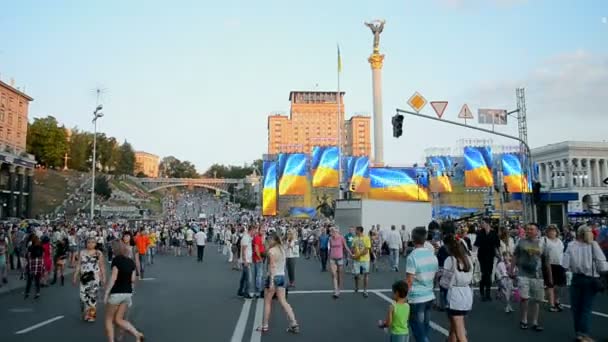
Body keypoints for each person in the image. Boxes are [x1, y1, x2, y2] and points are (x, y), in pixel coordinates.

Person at [562, 225, 608, 342]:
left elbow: (565, 265)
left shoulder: (571, 245)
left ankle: (578, 333)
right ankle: (584, 335)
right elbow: (602, 264)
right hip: (591, 279)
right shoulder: (593, 245)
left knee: (576, 308)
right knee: (586, 309)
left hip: (576, 278)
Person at [255, 232, 299, 334]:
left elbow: (272, 267)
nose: (268, 241)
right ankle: (294, 323)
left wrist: (270, 282)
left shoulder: (271, 251)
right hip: (282, 277)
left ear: (273, 240)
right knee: (283, 301)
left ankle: (265, 325)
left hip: (273, 277)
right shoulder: (282, 249)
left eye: (269, 240)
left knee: (267, 301)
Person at [104, 242, 145, 342]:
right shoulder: (131, 262)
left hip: (116, 292)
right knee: (119, 319)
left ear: (115, 250)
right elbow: (133, 279)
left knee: (109, 320)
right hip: (127, 293)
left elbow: (113, 277)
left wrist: (106, 293)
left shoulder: (116, 260)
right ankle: (137, 334)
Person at [405, 226, 438, 342]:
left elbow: (409, 280)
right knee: (425, 327)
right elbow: (435, 276)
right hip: (429, 295)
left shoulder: (412, 257)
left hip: (416, 297)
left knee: (417, 329)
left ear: (413, 239)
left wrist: (403, 298)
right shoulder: (432, 255)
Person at [512, 223, 547, 331]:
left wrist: (549, 276)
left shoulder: (542, 242)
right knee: (524, 298)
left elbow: (546, 258)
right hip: (523, 273)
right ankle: (524, 320)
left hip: (537, 274)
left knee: (536, 300)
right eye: (527, 229)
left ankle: (535, 322)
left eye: (532, 229)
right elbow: (515, 255)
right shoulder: (520, 241)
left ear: (537, 231)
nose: (529, 231)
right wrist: (511, 269)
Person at [441, 237, 473, 342]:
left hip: (455, 296)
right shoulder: (468, 259)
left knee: (460, 332)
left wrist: (439, 276)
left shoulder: (450, 260)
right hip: (467, 294)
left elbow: (444, 281)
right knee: (455, 326)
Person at [74, 237, 106, 322]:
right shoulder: (82, 252)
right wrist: (75, 275)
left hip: (95, 278)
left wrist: (103, 277)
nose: (90, 244)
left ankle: (91, 316)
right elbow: (78, 265)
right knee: (83, 296)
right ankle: (85, 308)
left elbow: (102, 266)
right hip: (84, 278)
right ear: (86, 243)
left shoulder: (98, 253)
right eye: (88, 242)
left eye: (92, 242)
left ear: (95, 244)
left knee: (92, 297)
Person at [474, 219, 500, 301]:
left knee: (488, 274)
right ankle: (482, 293)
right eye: (481, 223)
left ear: (488, 224)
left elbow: (496, 246)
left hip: (490, 256)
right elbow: (476, 245)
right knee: (484, 274)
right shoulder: (479, 233)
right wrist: (472, 255)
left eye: (483, 223)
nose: (481, 224)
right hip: (481, 256)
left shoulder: (494, 233)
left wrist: (499, 255)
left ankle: (488, 293)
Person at [543, 224, 565, 312]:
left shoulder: (559, 241)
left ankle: (556, 300)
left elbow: (562, 253)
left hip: (559, 264)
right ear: (547, 232)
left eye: (554, 231)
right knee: (550, 284)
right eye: (550, 231)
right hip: (549, 264)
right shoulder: (544, 240)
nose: (552, 232)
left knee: (560, 285)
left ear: (556, 232)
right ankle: (552, 304)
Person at [328, 227, 351, 298]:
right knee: (333, 274)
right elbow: (329, 248)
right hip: (332, 258)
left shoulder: (341, 238)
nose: (331, 233)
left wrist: (350, 253)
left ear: (337, 232)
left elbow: (346, 246)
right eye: (331, 232)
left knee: (339, 275)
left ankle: (339, 288)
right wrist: (328, 257)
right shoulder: (330, 239)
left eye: (333, 232)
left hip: (340, 258)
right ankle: (336, 291)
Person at [352, 226, 372, 297]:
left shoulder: (367, 238)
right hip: (356, 260)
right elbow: (353, 248)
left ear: (359, 231)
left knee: (365, 275)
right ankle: (357, 287)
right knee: (356, 275)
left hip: (365, 260)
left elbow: (366, 250)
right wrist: (354, 254)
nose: (355, 231)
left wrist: (358, 255)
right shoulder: (355, 238)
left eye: (356, 230)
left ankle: (365, 290)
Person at [25, 235, 44, 299]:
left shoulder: (30, 247)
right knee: (37, 280)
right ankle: (37, 293)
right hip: (39, 263)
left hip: (32, 263)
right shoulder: (41, 246)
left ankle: (27, 293)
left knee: (29, 280)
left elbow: (28, 256)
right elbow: (42, 255)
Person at [237, 226, 254, 299]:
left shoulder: (248, 237)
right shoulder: (246, 238)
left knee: (244, 277)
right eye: (254, 230)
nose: (255, 232)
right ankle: (246, 293)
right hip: (246, 260)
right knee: (249, 278)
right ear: (251, 230)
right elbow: (243, 250)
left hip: (247, 260)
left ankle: (240, 291)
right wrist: (245, 260)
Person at [252, 226, 266, 297]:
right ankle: (258, 291)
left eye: (264, 231)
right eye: (262, 230)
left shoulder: (259, 237)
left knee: (257, 275)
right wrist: (260, 258)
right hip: (258, 259)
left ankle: (256, 291)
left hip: (257, 258)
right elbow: (256, 249)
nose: (263, 232)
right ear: (258, 230)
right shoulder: (257, 238)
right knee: (259, 275)